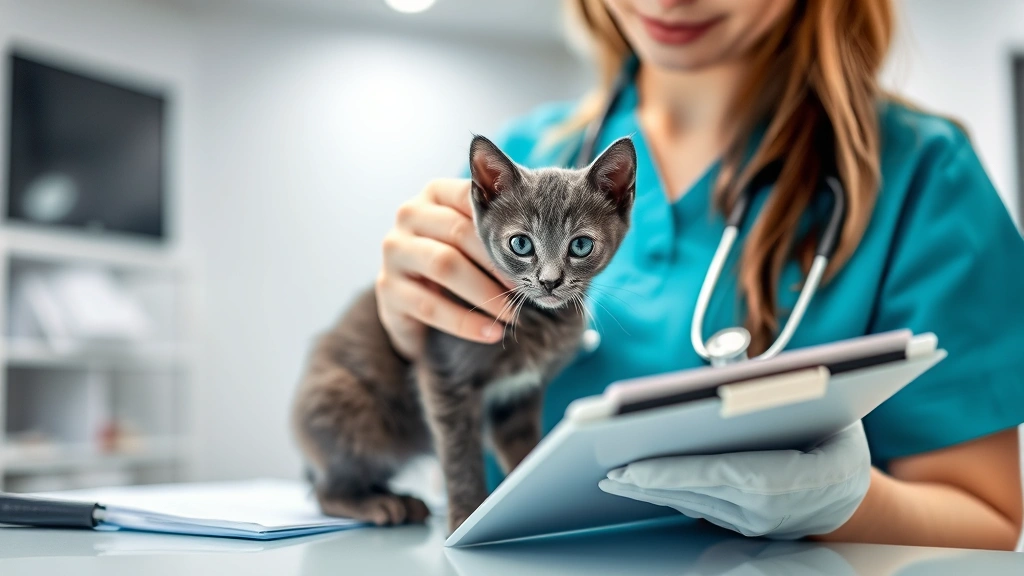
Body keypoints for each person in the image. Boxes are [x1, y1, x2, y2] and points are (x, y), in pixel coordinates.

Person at [372, 0, 1024, 549]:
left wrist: (842, 504)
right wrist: (408, 340)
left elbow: (988, 520)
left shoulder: (923, 176)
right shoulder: (519, 164)